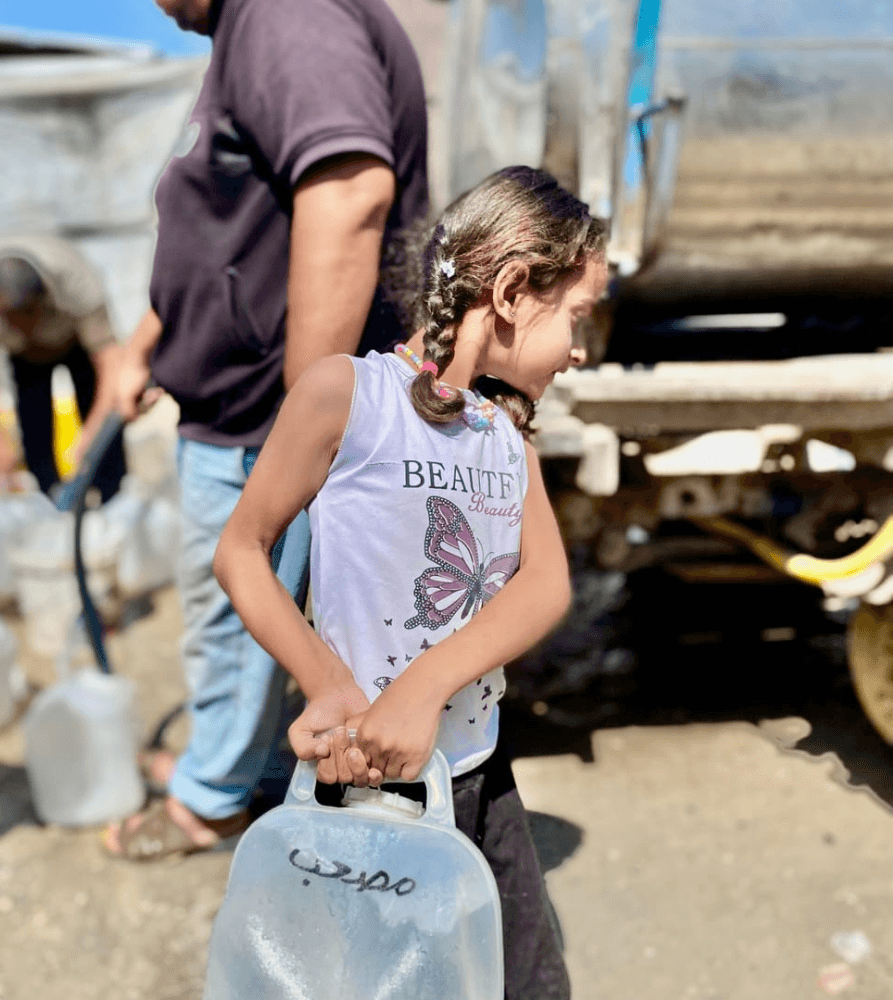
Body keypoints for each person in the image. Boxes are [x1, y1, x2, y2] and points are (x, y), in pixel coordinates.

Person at [214, 165, 607, 999]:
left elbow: (545, 585)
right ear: (510, 290)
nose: (579, 349)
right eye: (575, 316)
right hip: (360, 792)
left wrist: (425, 685)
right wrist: (323, 684)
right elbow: (242, 550)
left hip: (478, 777)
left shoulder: (506, 435)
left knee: (526, 984)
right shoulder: (346, 396)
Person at [109, 0, 429, 857]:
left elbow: (351, 191)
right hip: (239, 408)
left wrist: (304, 422)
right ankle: (237, 772)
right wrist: (150, 341)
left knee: (238, 613)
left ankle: (211, 800)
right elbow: (232, 233)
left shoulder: (285, 14)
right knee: (248, 614)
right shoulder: (249, 31)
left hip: (263, 416)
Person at [0, 235, 126, 502]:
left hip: (77, 345)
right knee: (34, 435)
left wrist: (95, 429)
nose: (25, 328)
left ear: (45, 296)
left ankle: (112, 501)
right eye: (13, 320)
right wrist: (2, 446)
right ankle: (51, 504)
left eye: (29, 315)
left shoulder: (75, 282)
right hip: (24, 363)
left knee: (105, 440)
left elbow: (109, 358)